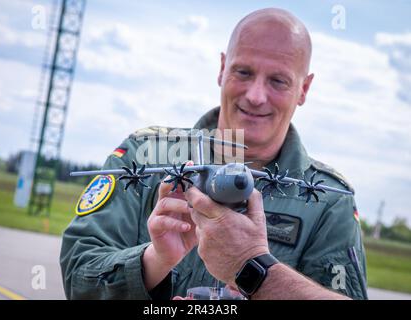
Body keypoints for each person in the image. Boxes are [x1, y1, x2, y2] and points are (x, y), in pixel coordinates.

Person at [60, 8, 368, 300]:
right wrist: (154, 259)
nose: (256, 96)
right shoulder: (145, 155)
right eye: (243, 72)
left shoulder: (329, 200)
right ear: (222, 69)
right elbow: (78, 278)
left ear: (304, 89)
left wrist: (253, 268)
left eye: (278, 81)